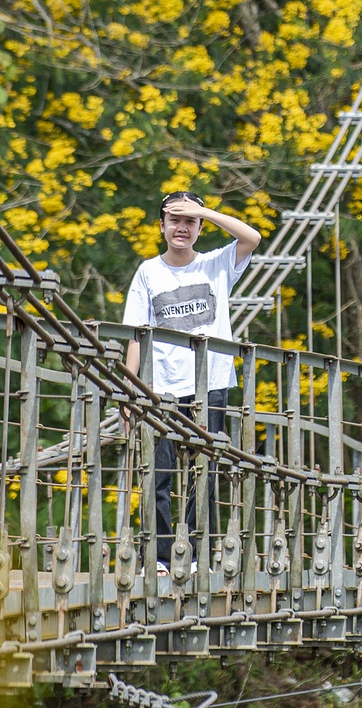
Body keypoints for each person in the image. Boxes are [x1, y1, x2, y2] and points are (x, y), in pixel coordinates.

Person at [121, 191, 262, 575]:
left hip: (210, 385)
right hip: (161, 387)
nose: (181, 228)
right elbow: (136, 335)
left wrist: (204, 210)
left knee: (205, 472)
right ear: (161, 226)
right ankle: (161, 556)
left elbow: (252, 238)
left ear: (200, 226)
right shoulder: (148, 272)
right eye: (174, 220)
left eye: (189, 222)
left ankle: (199, 555)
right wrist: (129, 391)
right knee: (158, 473)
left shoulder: (217, 265)